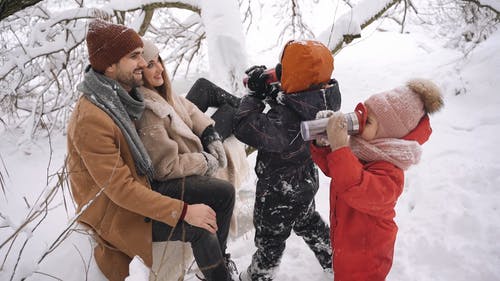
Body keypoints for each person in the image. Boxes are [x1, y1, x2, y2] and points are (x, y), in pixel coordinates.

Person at [66, 19, 235, 281]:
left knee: (223, 192)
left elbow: (180, 103)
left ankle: (219, 262)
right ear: (110, 65)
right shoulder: (91, 119)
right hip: (119, 213)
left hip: (144, 182)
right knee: (202, 228)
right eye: (134, 57)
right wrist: (185, 211)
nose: (144, 63)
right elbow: (121, 191)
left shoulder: (121, 94)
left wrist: (208, 131)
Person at [310, 79, 444, 281]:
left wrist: (340, 148)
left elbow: (356, 186)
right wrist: (325, 143)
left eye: (369, 121)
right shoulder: (363, 151)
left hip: (367, 256)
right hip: (346, 243)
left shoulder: (391, 172)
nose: (360, 122)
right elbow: (336, 169)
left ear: (387, 135)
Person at [136, 38, 247, 279]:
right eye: (151, 65)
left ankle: (251, 108)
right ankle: (219, 260)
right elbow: (164, 168)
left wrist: (210, 133)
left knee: (204, 87)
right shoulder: (148, 111)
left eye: (160, 62)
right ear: (139, 72)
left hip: (188, 137)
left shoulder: (161, 91)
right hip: (181, 161)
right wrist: (206, 160)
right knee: (224, 190)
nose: (160, 69)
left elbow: (190, 109)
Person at [233, 40, 340, 281]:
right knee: (309, 222)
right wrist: (275, 94)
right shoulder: (325, 99)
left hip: (277, 193)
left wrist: (254, 96)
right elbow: (296, 104)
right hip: (305, 181)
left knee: (270, 242)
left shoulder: (286, 124)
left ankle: (257, 276)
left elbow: (243, 126)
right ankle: (334, 260)